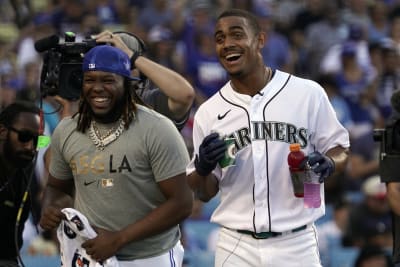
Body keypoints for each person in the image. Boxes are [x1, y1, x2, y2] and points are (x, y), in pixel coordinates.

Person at [186, 9, 350, 267]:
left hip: (296, 242)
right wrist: (202, 168)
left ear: (260, 40)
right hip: (235, 245)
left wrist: (331, 162)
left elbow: (341, 149)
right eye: (219, 38)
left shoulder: (307, 93)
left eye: (237, 35)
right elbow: (204, 193)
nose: (227, 43)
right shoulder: (209, 112)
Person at [39, 45, 193, 266]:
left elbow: (182, 202)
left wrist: (119, 239)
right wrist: (51, 207)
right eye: (90, 80)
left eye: (108, 80)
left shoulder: (157, 128)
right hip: (89, 257)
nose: (97, 88)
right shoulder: (67, 130)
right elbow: (57, 187)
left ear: (127, 84)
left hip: (149, 257)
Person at [94, 30, 195, 131]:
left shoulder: (151, 101)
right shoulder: (91, 99)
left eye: (129, 64)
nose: (121, 70)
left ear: (142, 70)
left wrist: (131, 56)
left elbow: (185, 94)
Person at [0, 101, 41, 267]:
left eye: (37, 140)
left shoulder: (26, 176)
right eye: (24, 137)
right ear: (2, 132)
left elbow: (10, 251)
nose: (30, 147)